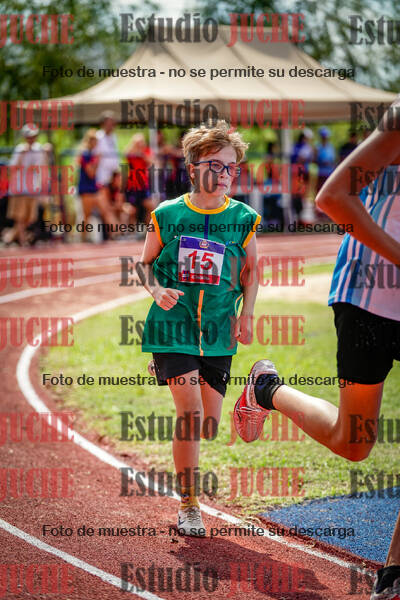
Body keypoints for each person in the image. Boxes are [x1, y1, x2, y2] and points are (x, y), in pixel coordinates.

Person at [233, 97, 400, 600]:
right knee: (354, 442)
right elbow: (333, 197)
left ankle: (394, 570)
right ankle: (267, 388)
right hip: (369, 296)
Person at [136, 120, 261, 536]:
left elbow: (251, 273)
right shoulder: (167, 214)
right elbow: (144, 263)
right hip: (173, 325)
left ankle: (242, 396)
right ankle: (189, 506)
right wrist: (157, 291)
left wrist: (247, 314)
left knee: (208, 423)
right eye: (216, 165)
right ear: (193, 168)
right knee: (189, 416)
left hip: (219, 327)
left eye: (231, 167)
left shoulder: (244, 218)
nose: (225, 174)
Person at [4, 123, 47, 246]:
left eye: (33, 136)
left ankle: (10, 236)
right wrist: (22, 156)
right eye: (28, 137)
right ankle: (23, 242)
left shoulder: (40, 150)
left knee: (30, 218)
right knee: (20, 217)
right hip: (20, 188)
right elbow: (12, 168)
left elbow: (42, 169)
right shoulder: (19, 149)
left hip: (32, 188)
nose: (31, 139)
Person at [94, 111, 119, 236]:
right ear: (103, 124)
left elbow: (114, 157)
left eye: (112, 123)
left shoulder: (113, 137)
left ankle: (111, 234)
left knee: (112, 206)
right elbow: (96, 157)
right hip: (101, 178)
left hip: (112, 177)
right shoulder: (98, 137)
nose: (111, 125)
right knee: (105, 207)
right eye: (108, 123)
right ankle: (114, 233)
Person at [125, 133, 155, 227]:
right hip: (133, 186)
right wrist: (136, 149)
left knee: (150, 207)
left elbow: (152, 162)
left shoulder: (146, 151)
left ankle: (148, 229)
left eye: (141, 142)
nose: (140, 144)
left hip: (143, 185)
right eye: (138, 142)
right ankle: (131, 230)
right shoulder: (132, 152)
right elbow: (126, 153)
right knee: (133, 210)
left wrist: (142, 154)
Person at [315, 126, 336, 193]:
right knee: (320, 190)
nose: (324, 138)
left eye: (325, 136)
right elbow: (314, 159)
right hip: (320, 173)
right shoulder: (317, 147)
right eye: (323, 136)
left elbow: (334, 160)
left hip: (329, 172)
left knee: (329, 190)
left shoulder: (331, 147)